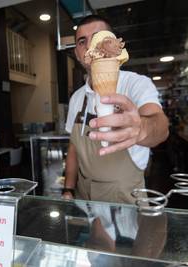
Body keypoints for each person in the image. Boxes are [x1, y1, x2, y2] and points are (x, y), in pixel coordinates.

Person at [62, 15, 169, 203]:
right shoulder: (77, 98)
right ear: (78, 54)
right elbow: (73, 148)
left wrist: (142, 127)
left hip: (124, 197)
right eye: (82, 41)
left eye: (97, 37)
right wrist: (68, 189)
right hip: (83, 196)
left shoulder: (136, 84)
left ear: (113, 42)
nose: (89, 45)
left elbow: (160, 127)